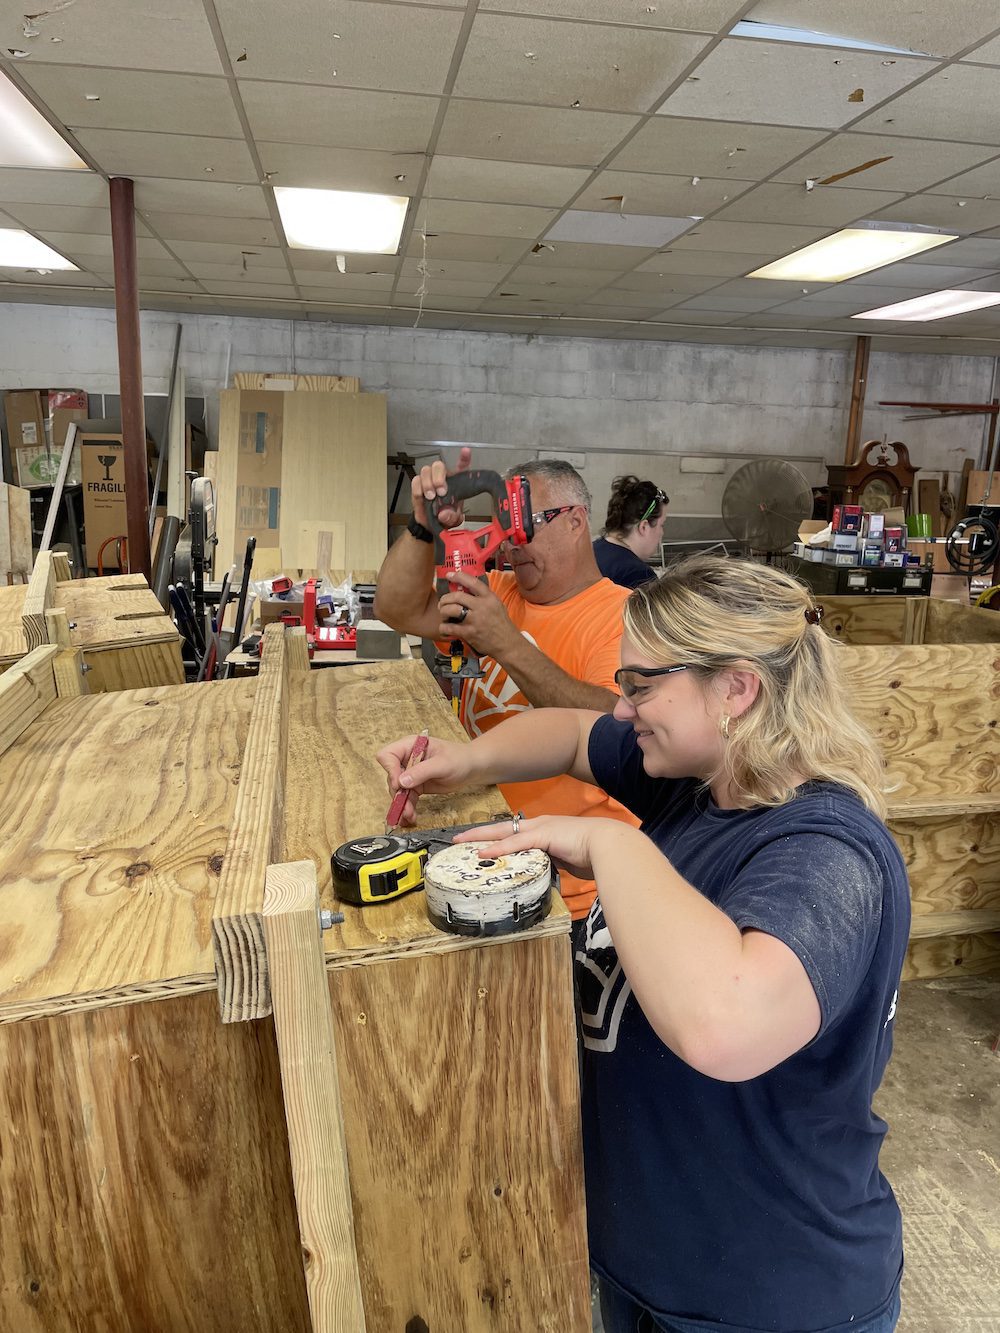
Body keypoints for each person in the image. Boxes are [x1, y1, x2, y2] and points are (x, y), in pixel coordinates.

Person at [378, 555, 909, 1333]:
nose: (623, 710)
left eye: (641, 686)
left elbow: (726, 1025)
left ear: (736, 688)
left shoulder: (829, 850)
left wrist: (613, 846)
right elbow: (568, 734)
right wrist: (464, 762)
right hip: (658, 1268)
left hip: (771, 1298)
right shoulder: (701, 779)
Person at [373, 446, 640, 923]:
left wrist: (507, 643)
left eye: (522, 525)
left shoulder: (625, 616)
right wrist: (422, 526)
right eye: (502, 526)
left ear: (576, 522)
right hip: (479, 836)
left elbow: (613, 726)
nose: (510, 545)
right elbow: (397, 610)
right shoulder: (494, 591)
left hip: (571, 884)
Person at [593, 475, 669, 589]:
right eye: (661, 525)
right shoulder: (639, 575)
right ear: (644, 527)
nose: (662, 532)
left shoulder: (592, 550)